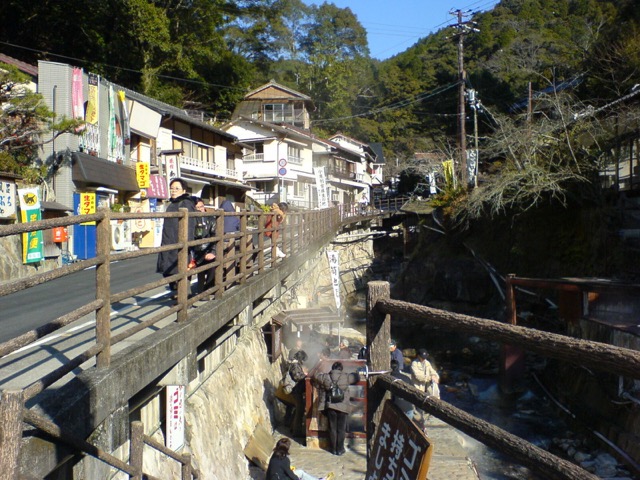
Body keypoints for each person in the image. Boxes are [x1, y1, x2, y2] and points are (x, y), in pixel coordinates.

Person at [156, 178, 196, 292]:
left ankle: (184, 300)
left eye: (177, 188)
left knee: (181, 270)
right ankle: (178, 295)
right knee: (168, 270)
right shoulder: (172, 203)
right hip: (168, 241)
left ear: (184, 190)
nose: (173, 191)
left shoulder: (186, 203)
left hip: (180, 241)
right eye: (172, 188)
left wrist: (186, 243)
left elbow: (190, 225)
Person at [314, 361, 360, 456]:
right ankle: (340, 449)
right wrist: (356, 372)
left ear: (332, 368)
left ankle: (333, 448)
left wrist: (318, 370)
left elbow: (316, 376)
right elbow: (356, 377)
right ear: (341, 369)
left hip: (330, 406)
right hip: (343, 406)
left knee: (332, 428)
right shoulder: (346, 377)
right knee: (341, 429)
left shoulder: (326, 377)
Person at [266, 437, 334, 480]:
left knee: (299, 472)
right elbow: (290, 474)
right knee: (301, 473)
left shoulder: (274, 454)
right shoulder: (284, 460)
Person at [192, 197, 216, 294]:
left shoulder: (210, 219)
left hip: (208, 248)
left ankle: (208, 288)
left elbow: (216, 236)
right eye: (197, 207)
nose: (200, 209)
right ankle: (201, 290)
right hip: (195, 250)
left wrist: (212, 251)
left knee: (212, 263)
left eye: (201, 206)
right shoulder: (191, 220)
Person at [287, 350, 308, 438]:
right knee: (299, 411)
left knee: (297, 411)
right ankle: (296, 431)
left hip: (296, 390)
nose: (303, 362)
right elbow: (297, 377)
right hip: (296, 390)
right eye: (303, 360)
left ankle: (292, 427)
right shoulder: (295, 365)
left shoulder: (295, 364)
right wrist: (305, 376)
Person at [220, 199, 240, 282]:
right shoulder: (235, 219)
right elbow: (242, 230)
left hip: (220, 245)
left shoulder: (218, 218)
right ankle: (234, 275)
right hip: (233, 244)